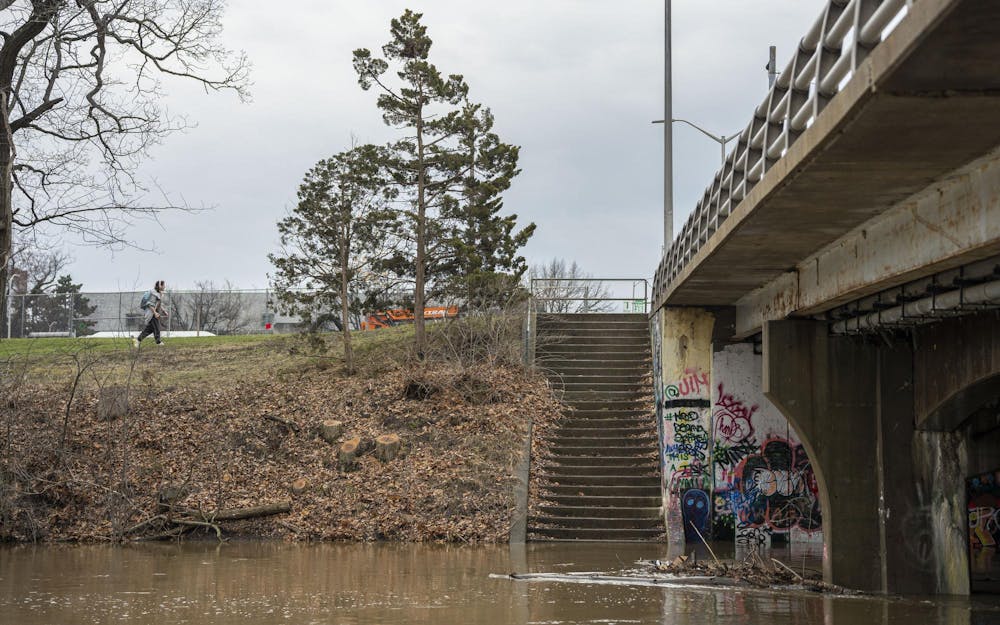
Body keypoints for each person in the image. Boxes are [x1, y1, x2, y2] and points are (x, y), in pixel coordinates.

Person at [134, 280, 169, 346]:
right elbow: (150, 304)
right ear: (160, 286)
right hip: (151, 313)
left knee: (149, 329)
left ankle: (138, 340)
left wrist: (164, 311)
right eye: (163, 285)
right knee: (157, 327)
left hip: (155, 313)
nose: (164, 286)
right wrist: (155, 313)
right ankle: (158, 342)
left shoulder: (159, 294)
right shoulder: (153, 293)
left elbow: (158, 304)